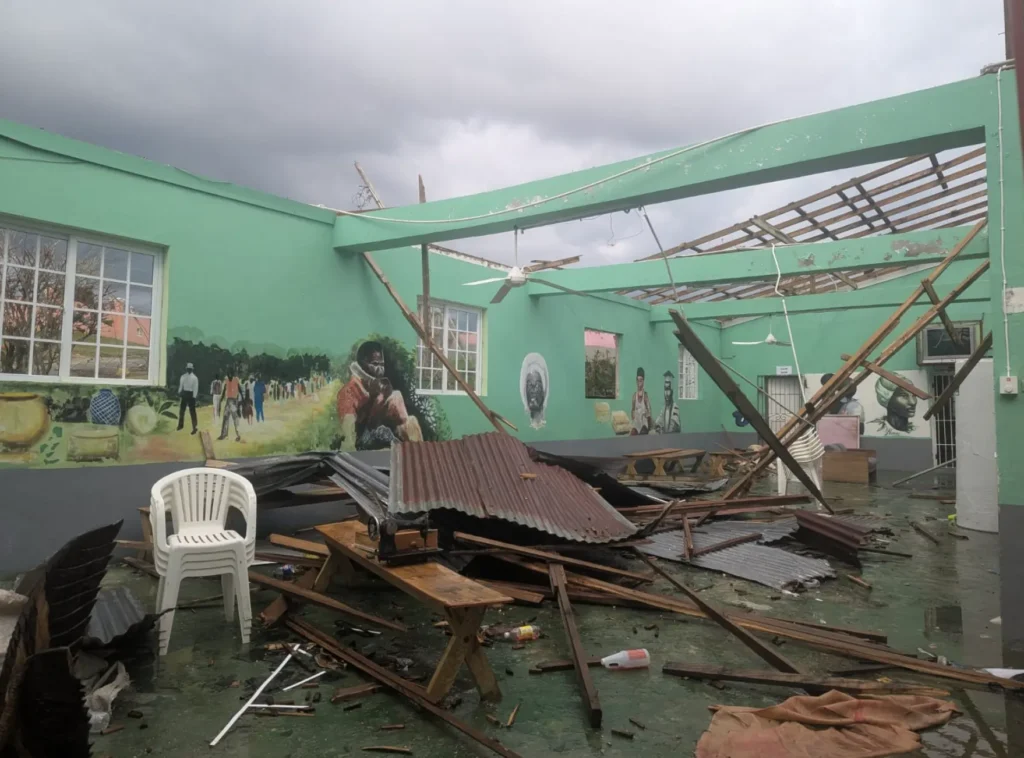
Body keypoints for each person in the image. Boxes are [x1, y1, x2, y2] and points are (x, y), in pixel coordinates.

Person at [336, 340, 422, 450]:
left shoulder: (380, 388)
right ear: (361, 365)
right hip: (360, 440)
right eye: (375, 364)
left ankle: (418, 453)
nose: (380, 369)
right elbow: (349, 433)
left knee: (409, 416)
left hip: (378, 430)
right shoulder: (349, 391)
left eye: (382, 365)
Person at [218, 371, 242, 442]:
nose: (229, 377)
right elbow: (224, 391)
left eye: (230, 375)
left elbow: (240, 390)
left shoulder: (236, 380)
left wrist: (242, 400)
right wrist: (221, 400)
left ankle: (239, 435)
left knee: (235, 418)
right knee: (225, 417)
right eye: (228, 375)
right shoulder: (227, 381)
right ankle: (224, 434)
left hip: (234, 401)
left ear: (232, 374)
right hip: (228, 401)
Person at [177, 362, 199, 435]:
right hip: (184, 393)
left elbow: (195, 388)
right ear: (186, 369)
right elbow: (181, 385)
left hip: (191, 394)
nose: (189, 370)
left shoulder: (195, 378)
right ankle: (180, 425)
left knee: (192, 411)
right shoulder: (183, 376)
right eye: (188, 369)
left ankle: (194, 427)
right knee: (182, 411)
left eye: (190, 369)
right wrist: (179, 392)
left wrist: (194, 397)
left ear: (192, 369)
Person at [630, 367, 652, 435]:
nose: (639, 383)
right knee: (632, 434)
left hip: (644, 425)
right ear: (636, 381)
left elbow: (649, 412)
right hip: (636, 425)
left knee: (642, 433)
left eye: (641, 380)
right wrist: (634, 417)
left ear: (643, 381)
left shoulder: (645, 396)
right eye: (638, 380)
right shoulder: (634, 396)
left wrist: (648, 425)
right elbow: (633, 410)